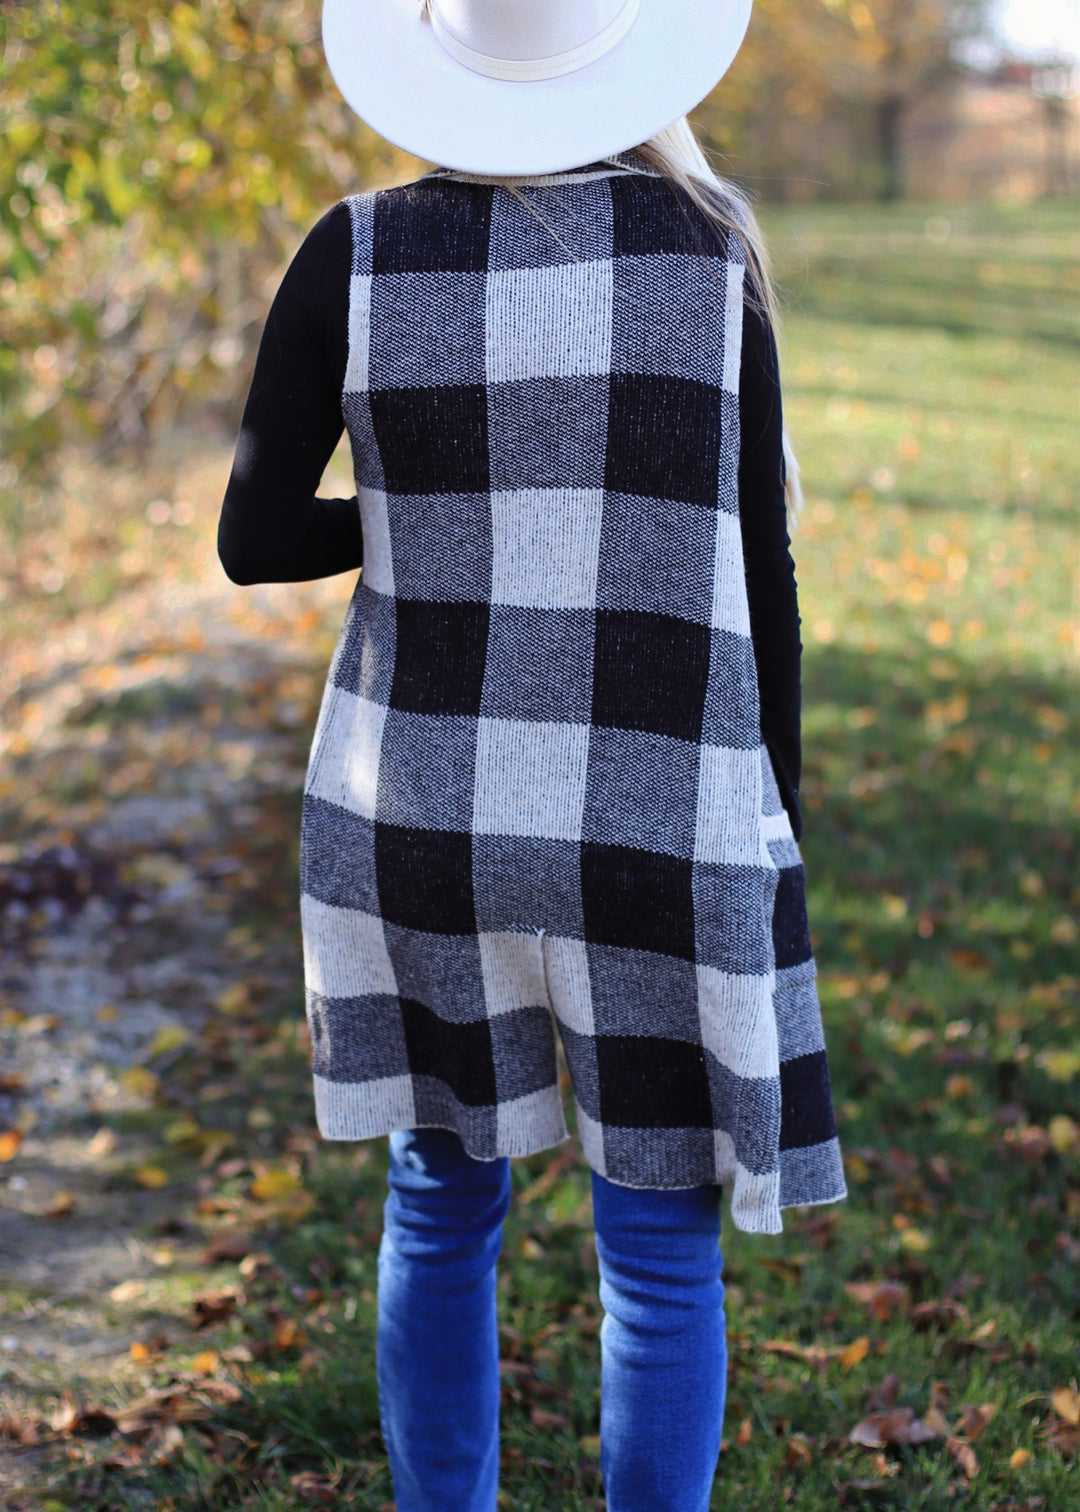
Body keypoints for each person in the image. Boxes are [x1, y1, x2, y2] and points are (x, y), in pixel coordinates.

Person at [218, 2, 847, 1507]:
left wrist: (443, 515)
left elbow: (251, 540)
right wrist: (775, 817)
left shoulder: (350, 251)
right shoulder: (710, 258)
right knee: (658, 1253)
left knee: (439, 1208)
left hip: (417, 809)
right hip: (653, 805)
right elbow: (760, 581)